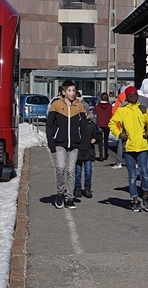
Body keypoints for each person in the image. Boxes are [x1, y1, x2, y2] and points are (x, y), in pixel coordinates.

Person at [46, 81, 96, 210]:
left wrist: (84, 144)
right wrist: (51, 142)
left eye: (74, 90)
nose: (72, 93)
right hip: (60, 143)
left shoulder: (79, 107)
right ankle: (60, 193)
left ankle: (69, 197)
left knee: (71, 171)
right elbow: (50, 125)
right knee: (60, 167)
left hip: (75, 144)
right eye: (69, 90)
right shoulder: (56, 105)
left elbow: (84, 128)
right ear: (63, 92)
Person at [109, 85, 148, 212]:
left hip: (142, 145)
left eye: (135, 95)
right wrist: (119, 134)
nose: (134, 97)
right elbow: (112, 123)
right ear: (127, 97)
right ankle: (135, 200)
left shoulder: (142, 109)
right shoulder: (122, 110)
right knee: (132, 175)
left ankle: (146, 195)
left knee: (145, 173)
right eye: (131, 96)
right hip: (129, 147)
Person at [92, 93, 113, 163]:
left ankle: (100, 154)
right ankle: (106, 154)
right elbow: (112, 115)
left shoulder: (97, 106)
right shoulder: (110, 106)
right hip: (107, 124)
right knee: (106, 140)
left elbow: (93, 114)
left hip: (99, 124)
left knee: (100, 141)